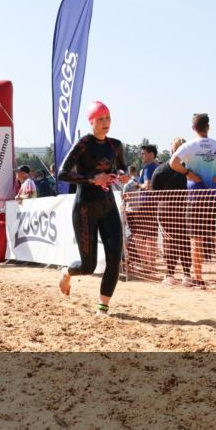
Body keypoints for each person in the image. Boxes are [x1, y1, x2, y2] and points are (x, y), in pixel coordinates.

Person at [56, 100, 131, 317]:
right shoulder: (83, 144)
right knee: (88, 267)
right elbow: (62, 173)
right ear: (91, 121)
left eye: (108, 118)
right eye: (100, 119)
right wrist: (92, 179)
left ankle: (102, 308)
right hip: (85, 209)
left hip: (108, 206)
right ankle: (67, 272)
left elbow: (121, 166)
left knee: (115, 258)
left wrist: (125, 175)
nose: (105, 123)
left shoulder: (115, 145)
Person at [169, 113, 216, 288]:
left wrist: (188, 173)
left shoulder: (189, 146)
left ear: (193, 128)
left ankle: (198, 276)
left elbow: (173, 162)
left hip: (195, 198)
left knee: (196, 238)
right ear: (208, 127)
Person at [151, 137, 193, 286]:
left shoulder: (161, 169)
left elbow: (154, 192)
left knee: (169, 240)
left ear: (171, 150)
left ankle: (170, 274)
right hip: (185, 208)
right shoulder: (189, 170)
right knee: (184, 240)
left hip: (166, 209)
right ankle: (187, 275)